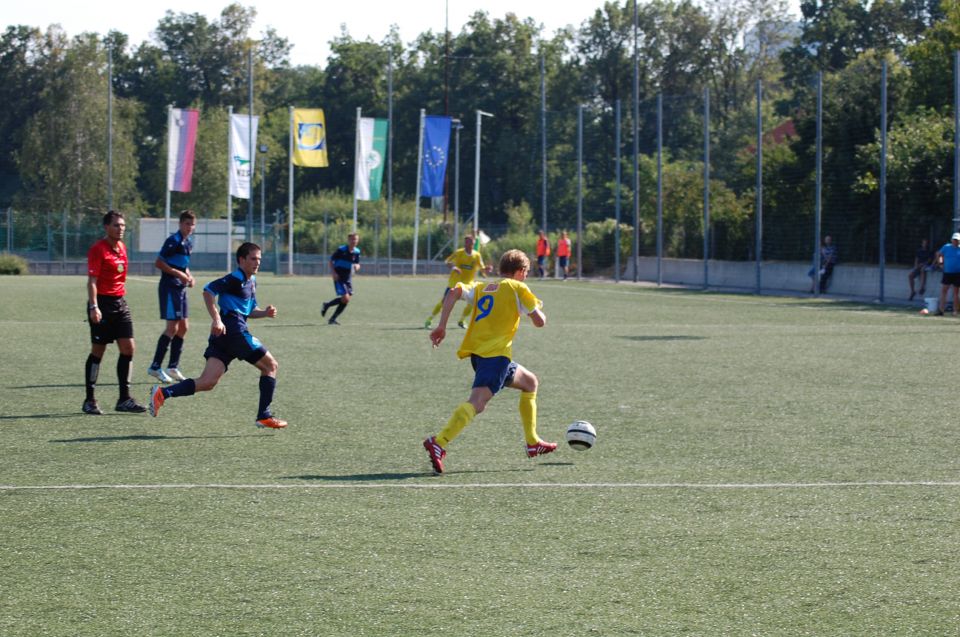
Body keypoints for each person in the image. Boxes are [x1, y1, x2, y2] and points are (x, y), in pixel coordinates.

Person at [422, 249, 557, 475]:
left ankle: (532, 443)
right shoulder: (518, 287)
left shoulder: (482, 287)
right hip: (495, 356)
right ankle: (439, 441)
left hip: (480, 355)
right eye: (526, 272)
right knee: (478, 402)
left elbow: (454, 292)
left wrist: (442, 325)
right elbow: (539, 322)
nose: (526, 277)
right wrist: (539, 313)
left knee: (530, 382)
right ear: (520, 271)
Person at [148, 242, 287, 429]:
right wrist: (217, 319)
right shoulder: (234, 278)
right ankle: (264, 415)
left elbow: (249, 310)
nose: (257, 263)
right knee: (271, 366)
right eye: (253, 259)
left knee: (207, 382)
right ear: (241, 260)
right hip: (234, 330)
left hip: (225, 335)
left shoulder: (251, 281)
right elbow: (208, 291)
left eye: (259, 259)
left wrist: (265, 313)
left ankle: (162, 394)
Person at [83, 211, 147, 414]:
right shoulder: (98, 249)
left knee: (128, 348)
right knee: (98, 351)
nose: (121, 229)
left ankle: (124, 399)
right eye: (116, 225)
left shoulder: (122, 248)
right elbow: (92, 282)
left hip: (120, 303)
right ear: (106, 227)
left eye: (123, 226)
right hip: (102, 304)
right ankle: (90, 400)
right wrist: (94, 307)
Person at [148, 210, 196, 384]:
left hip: (181, 289)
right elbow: (159, 262)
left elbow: (184, 266)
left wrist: (189, 276)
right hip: (170, 288)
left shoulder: (188, 243)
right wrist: (178, 274)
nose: (190, 227)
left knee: (183, 327)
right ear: (180, 224)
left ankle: (172, 367)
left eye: (192, 224)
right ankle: (155, 367)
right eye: (187, 224)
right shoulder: (173, 241)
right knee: (172, 328)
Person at [424, 234, 493, 329]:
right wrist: (454, 267)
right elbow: (447, 261)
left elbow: (482, 269)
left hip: (469, 285)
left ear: (473, 243)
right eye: (465, 241)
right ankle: (429, 319)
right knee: (444, 302)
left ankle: (462, 320)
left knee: (473, 302)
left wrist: (487, 269)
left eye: (468, 241)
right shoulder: (459, 253)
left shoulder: (476, 255)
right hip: (455, 283)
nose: (466, 243)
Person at [321, 233, 361, 325]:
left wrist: (357, 267)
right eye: (352, 239)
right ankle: (331, 316)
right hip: (339, 276)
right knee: (345, 298)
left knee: (346, 299)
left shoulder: (357, 251)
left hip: (347, 277)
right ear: (348, 240)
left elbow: (357, 263)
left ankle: (328, 309)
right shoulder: (341, 249)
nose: (354, 241)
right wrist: (333, 273)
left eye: (356, 239)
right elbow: (331, 261)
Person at [936, 232, 960, 316]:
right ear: (952, 240)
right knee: (944, 291)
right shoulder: (946, 247)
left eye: (957, 240)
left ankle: (955, 311)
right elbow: (939, 255)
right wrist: (940, 264)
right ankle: (941, 310)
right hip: (947, 273)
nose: (956, 241)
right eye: (954, 240)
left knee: (956, 292)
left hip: (957, 274)